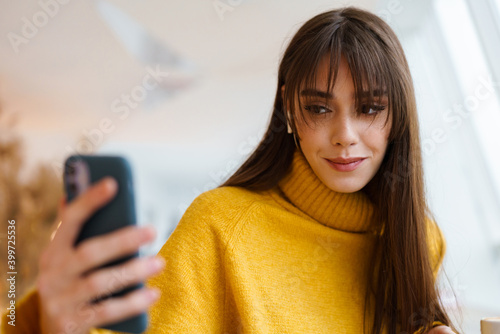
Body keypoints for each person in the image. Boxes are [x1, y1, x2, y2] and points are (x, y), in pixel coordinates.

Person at [2, 6, 458, 334]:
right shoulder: (222, 225)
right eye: (319, 108)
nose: (344, 134)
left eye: (369, 108)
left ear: (398, 114)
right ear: (289, 111)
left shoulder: (420, 236)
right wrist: (44, 324)